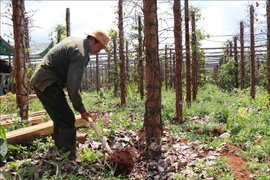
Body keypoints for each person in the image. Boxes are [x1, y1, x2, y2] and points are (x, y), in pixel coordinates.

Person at [30, 29, 109, 162]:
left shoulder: (76, 42)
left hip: (45, 80)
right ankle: (69, 157)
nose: (98, 51)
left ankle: (61, 149)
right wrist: (81, 109)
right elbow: (73, 86)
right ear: (91, 40)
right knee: (67, 118)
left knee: (60, 116)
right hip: (47, 82)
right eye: (99, 47)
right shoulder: (80, 53)